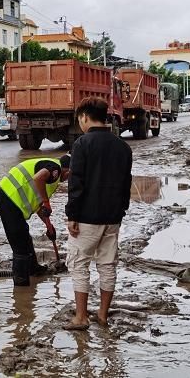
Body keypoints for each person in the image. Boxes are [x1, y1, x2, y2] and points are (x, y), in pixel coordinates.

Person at [64, 97, 132, 330]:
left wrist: (72, 215)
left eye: (79, 119)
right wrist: (121, 210)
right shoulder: (123, 146)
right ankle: (102, 315)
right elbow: (126, 183)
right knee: (107, 265)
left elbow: (76, 183)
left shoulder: (83, 144)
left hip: (87, 218)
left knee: (79, 264)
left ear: (84, 117)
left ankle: (81, 317)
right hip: (113, 217)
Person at [0, 155, 71, 287]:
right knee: (20, 244)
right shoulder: (55, 170)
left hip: (9, 198)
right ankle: (21, 287)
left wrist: (49, 226)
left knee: (24, 237)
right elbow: (38, 178)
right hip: (9, 197)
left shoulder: (52, 175)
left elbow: (39, 205)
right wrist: (47, 202)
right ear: (68, 171)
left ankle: (33, 269)